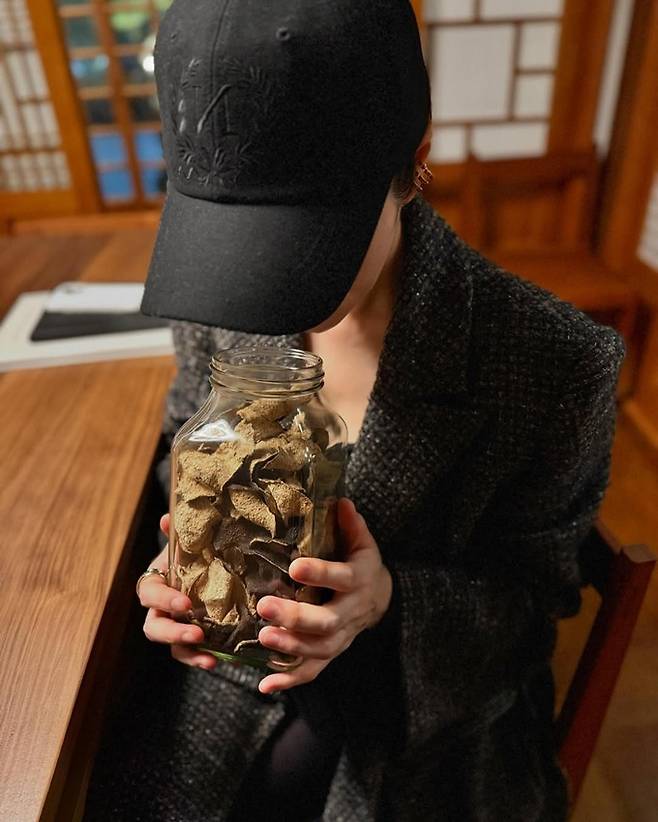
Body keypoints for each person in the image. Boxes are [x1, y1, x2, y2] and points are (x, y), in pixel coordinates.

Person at [83, 1, 625, 820]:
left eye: (308, 236)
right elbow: (177, 448)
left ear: (416, 158)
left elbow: (533, 605)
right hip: (228, 674)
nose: (267, 281)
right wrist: (180, 560)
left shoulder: (554, 364)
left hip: (426, 725)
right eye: (238, 235)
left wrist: (386, 604)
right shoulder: (218, 299)